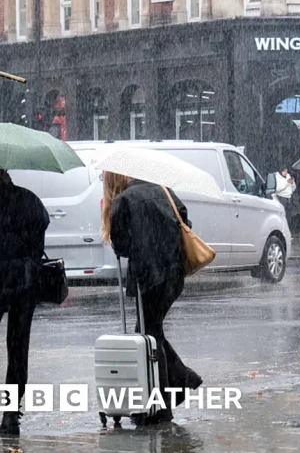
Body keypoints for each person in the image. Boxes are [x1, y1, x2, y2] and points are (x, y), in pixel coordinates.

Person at [102, 172, 203, 424]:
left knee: (149, 336)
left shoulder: (124, 200)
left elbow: (121, 246)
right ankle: (179, 380)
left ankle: (165, 403)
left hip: (148, 278)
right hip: (173, 274)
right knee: (150, 332)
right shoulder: (165, 190)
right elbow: (185, 221)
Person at [0, 169, 49, 435]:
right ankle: (10, 414)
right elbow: (39, 239)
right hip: (23, 284)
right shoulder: (29, 200)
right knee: (17, 350)